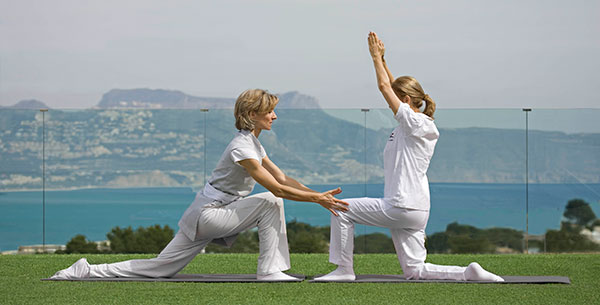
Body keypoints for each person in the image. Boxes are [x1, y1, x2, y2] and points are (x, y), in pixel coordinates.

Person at [51, 89, 349, 281]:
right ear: (252, 115)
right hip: (210, 213)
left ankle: (85, 270)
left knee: (159, 268)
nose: (275, 115)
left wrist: (318, 194)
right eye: (269, 110)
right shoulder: (241, 147)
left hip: (209, 213)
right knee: (271, 202)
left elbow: (282, 178)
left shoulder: (253, 143)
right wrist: (317, 201)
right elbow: (277, 190)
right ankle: (270, 270)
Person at [314, 32, 504, 282]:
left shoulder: (414, 122)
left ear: (405, 101)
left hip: (402, 205)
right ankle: (469, 273)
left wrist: (373, 59)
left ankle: (343, 270)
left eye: (398, 100)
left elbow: (384, 88)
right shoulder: (413, 124)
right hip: (414, 208)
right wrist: (383, 60)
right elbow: (393, 88)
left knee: (340, 208)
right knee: (415, 270)